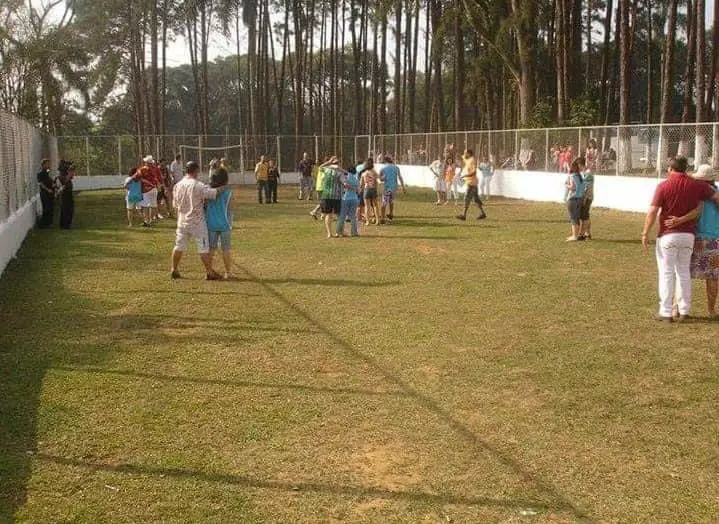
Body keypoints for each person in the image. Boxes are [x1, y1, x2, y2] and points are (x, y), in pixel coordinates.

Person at [641, 157, 719, 322]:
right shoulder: (698, 186)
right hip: (691, 236)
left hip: (670, 234)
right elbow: (710, 201)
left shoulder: (664, 186)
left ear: (670, 169)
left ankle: (667, 311)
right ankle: (686, 309)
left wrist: (645, 232)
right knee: (684, 272)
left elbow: (653, 211)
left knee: (667, 272)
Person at [171, 161, 229, 280]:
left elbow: (175, 204)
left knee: (179, 246)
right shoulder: (198, 185)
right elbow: (214, 193)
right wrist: (225, 186)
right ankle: (209, 272)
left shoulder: (178, 185)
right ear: (196, 171)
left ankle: (174, 269)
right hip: (197, 221)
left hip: (182, 220)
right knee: (203, 247)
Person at [206, 167, 235, 280]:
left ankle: (208, 271)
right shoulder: (228, 192)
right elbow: (230, 209)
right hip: (224, 224)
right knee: (226, 249)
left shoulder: (209, 191)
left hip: (211, 224)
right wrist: (230, 223)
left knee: (211, 249)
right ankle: (228, 272)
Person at [456, 149, 487, 221]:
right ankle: (482, 213)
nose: (464, 154)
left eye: (465, 153)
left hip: (471, 183)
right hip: (472, 183)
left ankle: (463, 215)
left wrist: (464, 176)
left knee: (466, 198)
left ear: (469, 153)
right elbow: (461, 156)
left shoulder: (472, 160)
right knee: (476, 199)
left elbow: (474, 172)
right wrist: (454, 149)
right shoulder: (467, 159)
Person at [319, 158, 344, 238]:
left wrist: (328, 162)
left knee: (328, 214)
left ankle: (329, 233)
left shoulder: (326, 170)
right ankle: (339, 233)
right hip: (336, 196)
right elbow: (344, 182)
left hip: (326, 195)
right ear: (338, 163)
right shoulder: (339, 172)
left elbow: (320, 167)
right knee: (338, 215)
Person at [378, 156, 406, 224]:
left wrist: (383, 178)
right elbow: (400, 177)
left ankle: (382, 218)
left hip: (387, 187)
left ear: (385, 161)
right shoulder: (396, 167)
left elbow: (380, 179)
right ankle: (391, 213)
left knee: (384, 202)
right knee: (391, 201)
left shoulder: (383, 168)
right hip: (394, 188)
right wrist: (403, 187)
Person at [564, 157, 586, 241]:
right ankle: (576, 235)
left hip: (572, 199)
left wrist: (566, 185)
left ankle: (574, 236)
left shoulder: (572, 176)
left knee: (573, 218)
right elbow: (583, 188)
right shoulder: (580, 177)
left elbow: (573, 187)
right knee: (577, 218)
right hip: (579, 199)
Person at [336, 166, 360, 237]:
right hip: (354, 198)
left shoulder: (346, 176)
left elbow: (345, 184)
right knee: (353, 217)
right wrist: (354, 188)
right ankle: (354, 232)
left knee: (342, 216)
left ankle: (339, 232)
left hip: (345, 198)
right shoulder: (356, 178)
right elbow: (358, 190)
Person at [139, 156, 160, 226]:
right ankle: (151, 220)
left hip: (146, 189)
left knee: (145, 205)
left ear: (146, 162)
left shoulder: (142, 169)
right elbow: (157, 179)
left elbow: (140, 178)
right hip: (154, 189)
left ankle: (147, 221)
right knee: (153, 205)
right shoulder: (155, 169)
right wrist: (158, 185)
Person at [360, 158, 380, 225]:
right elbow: (379, 178)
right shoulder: (374, 172)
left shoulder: (363, 173)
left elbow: (361, 184)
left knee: (367, 206)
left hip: (366, 189)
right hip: (373, 189)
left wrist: (360, 189)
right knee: (375, 205)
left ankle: (368, 221)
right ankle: (377, 221)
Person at [37, 158, 55, 228]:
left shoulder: (47, 171)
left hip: (50, 192)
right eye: (47, 164)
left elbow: (49, 177)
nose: (48, 165)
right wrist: (48, 190)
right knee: (46, 207)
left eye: (48, 164)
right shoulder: (40, 173)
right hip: (44, 193)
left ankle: (49, 222)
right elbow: (41, 184)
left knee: (51, 207)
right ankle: (44, 223)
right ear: (43, 165)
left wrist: (52, 183)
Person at [57, 160, 75, 229]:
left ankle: (64, 224)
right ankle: (65, 224)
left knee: (66, 209)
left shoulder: (63, 174)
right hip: (65, 193)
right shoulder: (62, 175)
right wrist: (69, 175)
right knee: (67, 209)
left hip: (67, 193)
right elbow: (64, 182)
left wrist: (70, 174)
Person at [580, 163, 595, 240]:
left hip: (587, 197)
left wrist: (584, 199)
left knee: (584, 216)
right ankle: (587, 233)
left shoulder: (588, 173)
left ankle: (582, 234)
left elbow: (586, 188)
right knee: (586, 215)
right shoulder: (586, 173)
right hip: (588, 197)